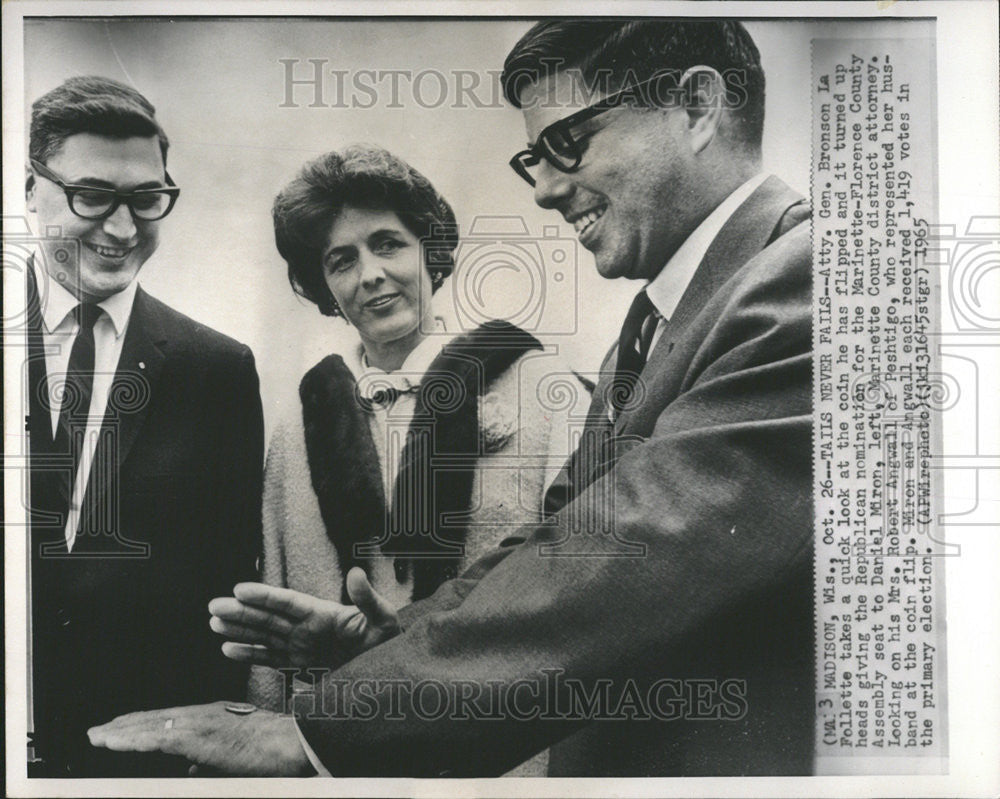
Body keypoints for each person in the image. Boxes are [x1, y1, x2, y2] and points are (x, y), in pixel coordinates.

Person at [89, 19, 814, 777]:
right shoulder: (658, 321)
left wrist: (322, 726)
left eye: (567, 142)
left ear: (696, 106)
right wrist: (394, 643)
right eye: (533, 159)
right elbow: (552, 542)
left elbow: (620, 561)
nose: (543, 189)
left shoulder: (802, 277)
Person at [211, 146, 566, 775]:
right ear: (324, 286)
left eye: (388, 244)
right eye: (341, 261)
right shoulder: (299, 428)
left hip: (502, 752)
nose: (370, 274)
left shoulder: (543, 392)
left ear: (430, 251)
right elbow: (273, 620)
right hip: (340, 754)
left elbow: (572, 602)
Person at [24, 76, 264, 777]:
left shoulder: (216, 368)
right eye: (93, 195)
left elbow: (225, 582)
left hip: (135, 765)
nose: (123, 228)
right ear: (27, 187)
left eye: (147, 199)